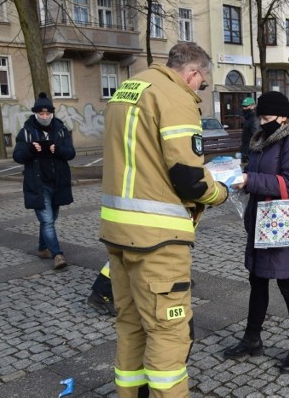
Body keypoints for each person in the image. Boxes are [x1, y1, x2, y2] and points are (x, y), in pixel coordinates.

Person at [99, 42, 229, 397]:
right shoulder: (173, 97)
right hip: (157, 240)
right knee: (168, 333)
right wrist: (222, 192)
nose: (198, 90)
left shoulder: (130, 88)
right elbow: (190, 179)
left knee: (130, 325)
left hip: (117, 231)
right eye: (201, 85)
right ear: (193, 74)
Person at [223, 91, 289, 373]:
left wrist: (250, 180)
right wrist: (236, 173)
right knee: (257, 281)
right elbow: (256, 171)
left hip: (281, 222)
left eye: (267, 117)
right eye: (260, 117)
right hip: (259, 220)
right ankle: (252, 339)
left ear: (284, 116)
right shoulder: (262, 140)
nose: (262, 122)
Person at [13, 92, 75, 270]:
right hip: (38, 184)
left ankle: (42, 248)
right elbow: (18, 156)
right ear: (35, 113)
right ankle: (57, 254)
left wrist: (58, 149)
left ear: (52, 114)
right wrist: (31, 150)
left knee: (51, 218)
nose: (45, 116)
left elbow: (71, 153)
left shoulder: (61, 129)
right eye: (41, 113)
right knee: (47, 220)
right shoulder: (26, 131)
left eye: (48, 113)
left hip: (58, 182)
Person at [240, 97, 258, 162]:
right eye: (243, 106)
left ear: (253, 106)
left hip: (251, 155)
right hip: (246, 153)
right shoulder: (248, 118)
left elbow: (256, 137)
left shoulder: (254, 119)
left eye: (246, 106)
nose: (244, 108)